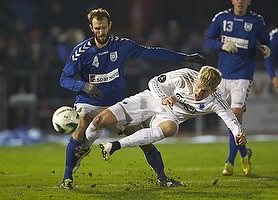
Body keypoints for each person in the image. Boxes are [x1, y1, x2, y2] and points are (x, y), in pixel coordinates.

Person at [59, 8, 206, 189]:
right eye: (97, 28)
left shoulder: (122, 45)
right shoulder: (81, 52)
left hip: (115, 104)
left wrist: (185, 57)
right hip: (89, 102)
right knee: (81, 128)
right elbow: (63, 79)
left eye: (104, 27)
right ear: (91, 28)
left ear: (110, 25)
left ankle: (163, 179)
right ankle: (67, 179)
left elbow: (152, 52)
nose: (101, 32)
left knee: (144, 140)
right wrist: (84, 86)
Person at [85, 66, 247, 186]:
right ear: (197, 78)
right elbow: (154, 82)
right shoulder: (185, 75)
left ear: (213, 91)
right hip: (152, 100)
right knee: (100, 121)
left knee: (170, 129)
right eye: (198, 87)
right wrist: (163, 97)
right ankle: (83, 147)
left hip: (168, 116)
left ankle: (113, 146)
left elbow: (230, 119)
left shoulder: (217, 100)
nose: (197, 92)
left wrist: (238, 133)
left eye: (203, 91)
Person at [203, 0, 278, 176]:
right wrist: (221, 45)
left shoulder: (256, 21)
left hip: (243, 77)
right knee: (230, 122)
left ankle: (230, 162)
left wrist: (264, 49)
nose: (240, 2)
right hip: (222, 77)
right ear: (233, 0)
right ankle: (245, 154)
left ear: (249, 2)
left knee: (235, 121)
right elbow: (207, 42)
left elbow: (266, 43)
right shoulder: (222, 18)